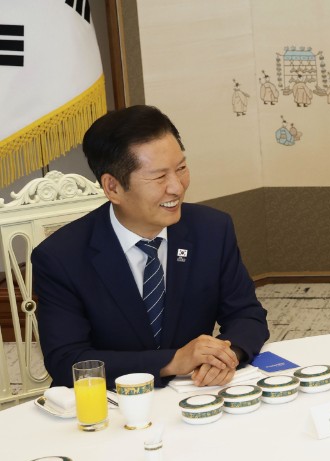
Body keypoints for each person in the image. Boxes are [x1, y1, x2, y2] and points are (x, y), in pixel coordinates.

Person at [33, 106, 268, 388]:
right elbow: (67, 361)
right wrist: (172, 362)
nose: (177, 188)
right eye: (159, 177)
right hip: (110, 402)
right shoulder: (60, 257)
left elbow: (247, 315)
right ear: (113, 187)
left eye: (181, 169)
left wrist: (226, 355)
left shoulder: (212, 230)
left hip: (194, 393)